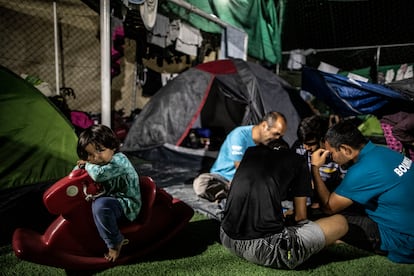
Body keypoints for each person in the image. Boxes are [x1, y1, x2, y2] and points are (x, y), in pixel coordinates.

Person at [220, 139, 348, 269]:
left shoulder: (251, 152)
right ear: (288, 150)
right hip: (264, 249)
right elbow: (300, 218)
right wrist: (314, 167)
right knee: (340, 222)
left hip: (226, 237)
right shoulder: (297, 160)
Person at [311, 120, 414, 263]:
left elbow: (329, 208)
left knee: (329, 219)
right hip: (407, 226)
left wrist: (315, 168)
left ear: (345, 149)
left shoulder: (361, 170)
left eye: (331, 153)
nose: (331, 158)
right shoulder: (384, 152)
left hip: (403, 241)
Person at [76, 124, 141, 262]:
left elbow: (99, 175)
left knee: (101, 206)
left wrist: (87, 165)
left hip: (127, 204)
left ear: (113, 147)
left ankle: (115, 243)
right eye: (89, 154)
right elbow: (81, 170)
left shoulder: (119, 160)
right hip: (111, 198)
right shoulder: (97, 162)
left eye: (100, 151)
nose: (95, 157)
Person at [193, 111, 288, 202]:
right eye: (276, 134)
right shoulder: (239, 135)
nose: (277, 138)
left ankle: (239, 196)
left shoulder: (273, 143)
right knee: (201, 185)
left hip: (251, 182)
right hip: (224, 179)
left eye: (280, 136)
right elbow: (241, 170)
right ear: (264, 125)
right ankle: (237, 195)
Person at [291, 115, 345, 210]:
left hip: (327, 202)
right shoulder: (298, 148)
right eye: (302, 142)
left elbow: (345, 184)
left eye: (310, 144)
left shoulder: (336, 154)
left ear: (323, 139)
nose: (305, 147)